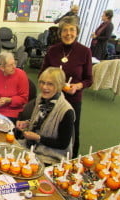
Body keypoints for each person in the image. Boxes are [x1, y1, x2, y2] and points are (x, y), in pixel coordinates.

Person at [40, 16, 93, 158]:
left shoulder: (85, 51)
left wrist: (78, 86)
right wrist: (57, 84)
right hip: (53, 97)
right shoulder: (52, 50)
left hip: (73, 99)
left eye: (72, 30)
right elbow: (42, 73)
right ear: (60, 33)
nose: (68, 33)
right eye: (65, 30)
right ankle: (47, 155)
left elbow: (89, 79)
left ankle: (72, 159)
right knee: (49, 126)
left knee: (72, 131)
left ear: (77, 32)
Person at [16, 67, 75, 165]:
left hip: (49, 156)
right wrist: (27, 123)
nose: (44, 87)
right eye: (42, 82)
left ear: (59, 86)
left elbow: (63, 144)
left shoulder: (67, 111)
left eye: (50, 84)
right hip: (29, 147)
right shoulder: (41, 99)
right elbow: (41, 121)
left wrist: (38, 138)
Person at [0, 52, 29, 123]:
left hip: (13, 112)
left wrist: (9, 100)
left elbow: (24, 98)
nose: (14, 67)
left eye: (14, 63)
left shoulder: (21, 75)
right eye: (10, 65)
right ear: (2, 68)